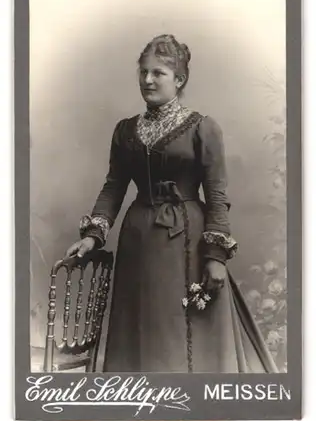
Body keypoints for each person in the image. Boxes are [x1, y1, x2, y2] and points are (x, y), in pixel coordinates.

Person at [65, 34, 278, 373]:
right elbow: (114, 187)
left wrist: (216, 257)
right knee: (140, 327)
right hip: (138, 241)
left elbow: (217, 195)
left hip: (187, 241)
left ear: (179, 80)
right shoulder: (125, 131)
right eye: (143, 72)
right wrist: (93, 235)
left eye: (158, 73)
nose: (147, 80)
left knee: (184, 331)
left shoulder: (203, 128)